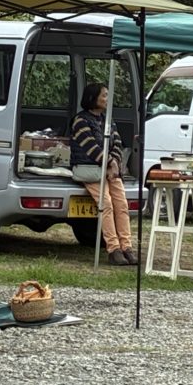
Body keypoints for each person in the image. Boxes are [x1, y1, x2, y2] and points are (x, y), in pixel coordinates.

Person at [70, 83, 136, 266]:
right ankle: (114, 249)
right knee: (106, 204)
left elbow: (117, 143)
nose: (107, 99)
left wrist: (113, 162)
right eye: (104, 95)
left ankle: (127, 247)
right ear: (93, 98)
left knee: (121, 204)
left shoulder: (108, 120)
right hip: (91, 170)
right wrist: (109, 162)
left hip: (109, 169)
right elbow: (90, 147)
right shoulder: (80, 121)